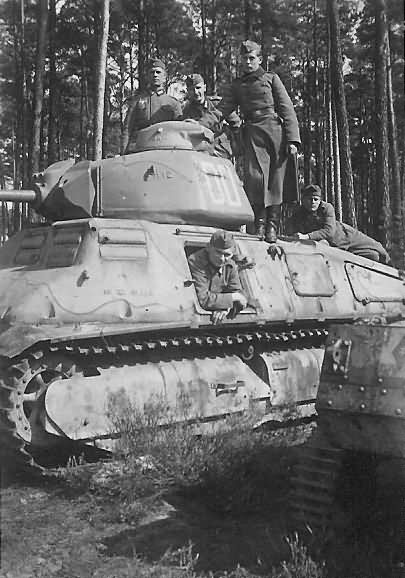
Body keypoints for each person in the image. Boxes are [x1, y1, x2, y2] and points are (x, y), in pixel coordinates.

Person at [218, 40, 301, 244]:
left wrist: (293, 140)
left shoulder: (271, 79)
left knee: (276, 181)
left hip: (275, 132)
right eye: (244, 58)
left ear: (260, 59)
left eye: (251, 58)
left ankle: (272, 225)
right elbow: (222, 109)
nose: (247, 62)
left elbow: (286, 108)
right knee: (255, 180)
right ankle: (260, 224)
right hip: (253, 132)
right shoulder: (237, 85)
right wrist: (202, 123)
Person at [288, 184, 391, 264]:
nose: (313, 202)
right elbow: (292, 232)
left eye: (316, 199)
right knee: (373, 256)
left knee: (378, 248)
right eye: (309, 199)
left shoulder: (326, 208)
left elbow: (329, 232)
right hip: (331, 245)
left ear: (320, 200)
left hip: (344, 236)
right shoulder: (298, 213)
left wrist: (306, 236)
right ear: (303, 200)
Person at [188, 229, 248, 325]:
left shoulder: (230, 265)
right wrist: (233, 297)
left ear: (232, 254)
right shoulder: (195, 261)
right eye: (218, 252)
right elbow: (203, 299)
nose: (222, 258)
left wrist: (226, 308)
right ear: (208, 248)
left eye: (227, 254)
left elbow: (239, 294)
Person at [123, 58, 182, 153]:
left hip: (166, 149)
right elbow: (127, 129)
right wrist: (123, 153)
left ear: (164, 76)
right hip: (142, 149)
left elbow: (179, 131)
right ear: (147, 77)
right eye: (152, 72)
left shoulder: (173, 103)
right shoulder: (137, 101)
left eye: (158, 72)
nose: (155, 75)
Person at [181, 74, 241, 160]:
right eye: (191, 89)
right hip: (199, 153)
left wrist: (231, 146)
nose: (195, 92)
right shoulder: (186, 110)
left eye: (198, 88)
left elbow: (236, 124)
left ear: (204, 88)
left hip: (221, 152)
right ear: (187, 91)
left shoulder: (217, 104)